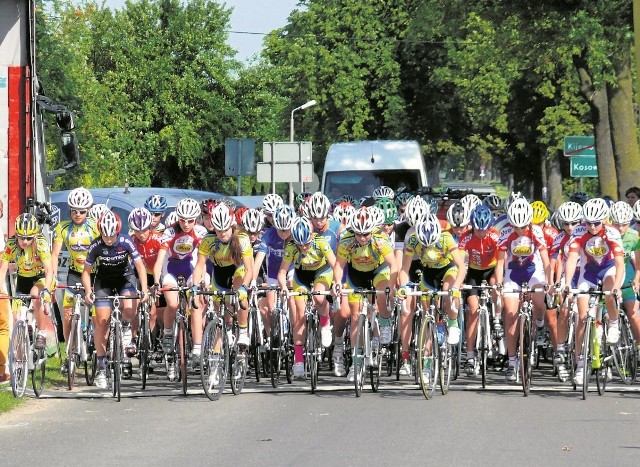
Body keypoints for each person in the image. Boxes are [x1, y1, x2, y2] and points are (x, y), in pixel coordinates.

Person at [82, 211, 148, 389]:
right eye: (105, 235)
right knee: (102, 322)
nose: (109, 239)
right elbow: (86, 273)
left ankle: (126, 326)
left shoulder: (126, 241)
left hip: (125, 279)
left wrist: (145, 289)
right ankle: (102, 367)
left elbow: (140, 267)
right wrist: (88, 291)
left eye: (112, 235)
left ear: (118, 232)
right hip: (104, 282)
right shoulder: (96, 245)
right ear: (100, 232)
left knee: (130, 307)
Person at [563, 198, 625, 385]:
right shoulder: (580, 232)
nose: (592, 226)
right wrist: (567, 283)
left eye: (596, 223)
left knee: (608, 292)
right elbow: (572, 259)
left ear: (604, 220)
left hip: (609, 269)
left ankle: (613, 322)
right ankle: (581, 365)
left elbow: (620, 263)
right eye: (588, 222)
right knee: (582, 317)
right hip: (588, 273)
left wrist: (617, 287)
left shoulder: (612, 233)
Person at [333, 206, 398, 382]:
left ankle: (384, 322)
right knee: (355, 317)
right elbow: (339, 265)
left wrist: (392, 287)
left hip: (379, 270)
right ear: (353, 231)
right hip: (357, 274)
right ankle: (355, 363)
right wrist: (337, 283)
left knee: (383, 291)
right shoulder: (346, 241)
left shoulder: (380, 239)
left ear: (372, 231)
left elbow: (393, 265)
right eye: (359, 234)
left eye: (366, 234)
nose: (362, 238)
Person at [495, 198, 551, 382]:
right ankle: (512, 363)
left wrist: (549, 281)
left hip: (533, 271)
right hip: (513, 273)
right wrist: (499, 283)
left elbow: (545, 259)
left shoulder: (536, 231)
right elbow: (500, 262)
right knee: (510, 314)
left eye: (523, 227)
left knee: (538, 301)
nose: (519, 231)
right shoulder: (505, 232)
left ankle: (540, 325)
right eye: (516, 227)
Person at [192, 204, 254, 363]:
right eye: (219, 231)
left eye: (225, 230)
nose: (222, 234)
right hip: (219, 274)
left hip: (238, 271)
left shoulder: (242, 239)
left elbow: (249, 268)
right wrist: (194, 285)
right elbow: (200, 265)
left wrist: (244, 288)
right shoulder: (208, 240)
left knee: (240, 297)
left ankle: (243, 331)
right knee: (223, 318)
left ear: (231, 225)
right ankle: (218, 352)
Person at [153, 198, 207, 379]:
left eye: (190, 220)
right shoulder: (169, 232)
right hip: (171, 270)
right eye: (182, 219)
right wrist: (155, 282)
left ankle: (198, 348)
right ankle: (168, 332)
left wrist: (199, 281)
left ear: (196, 219)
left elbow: (202, 259)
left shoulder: (200, 231)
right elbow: (159, 261)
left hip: (191, 269)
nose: (186, 224)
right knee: (173, 303)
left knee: (196, 302)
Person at [277, 217, 337, 379]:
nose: (303, 247)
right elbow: (282, 272)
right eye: (300, 244)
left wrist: (337, 283)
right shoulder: (291, 247)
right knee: (300, 317)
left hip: (322, 272)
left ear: (311, 236)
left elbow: (335, 265)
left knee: (318, 297)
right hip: (301, 275)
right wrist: (283, 288)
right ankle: (298, 361)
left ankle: (325, 323)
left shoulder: (321, 242)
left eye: (306, 243)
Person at [51, 187, 100, 374]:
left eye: (82, 211)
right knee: (67, 314)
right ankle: (70, 354)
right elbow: (54, 254)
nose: (77, 214)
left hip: (94, 273)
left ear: (89, 210)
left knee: (96, 313)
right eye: (74, 211)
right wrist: (54, 277)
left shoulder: (96, 226)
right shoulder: (62, 227)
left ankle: (97, 347)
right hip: (73, 273)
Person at [0, 214, 55, 350]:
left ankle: (41, 333)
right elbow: (3, 269)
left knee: (35, 294)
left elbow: (49, 269)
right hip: (23, 278)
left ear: (35, 236)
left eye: (29, 238)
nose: (25, 241)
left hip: (41, 277)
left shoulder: (41, 243)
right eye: (21, 237)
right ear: (16, 235)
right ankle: (19, 364)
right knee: (16, 318)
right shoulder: (11, 244)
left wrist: (47, 290)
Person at [458, 204, 501, 376]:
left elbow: (501, 260)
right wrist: (459, 281)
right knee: (473, 312)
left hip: (491, 269)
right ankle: (469, 356)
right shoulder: (466, 238)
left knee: (496, 285)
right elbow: (460, 262)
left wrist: (498, 283)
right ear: (472, 227)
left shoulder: (495, 236)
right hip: (474, 272)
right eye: (478, 230)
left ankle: (497, 319)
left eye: (484, 230)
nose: (481, 233)